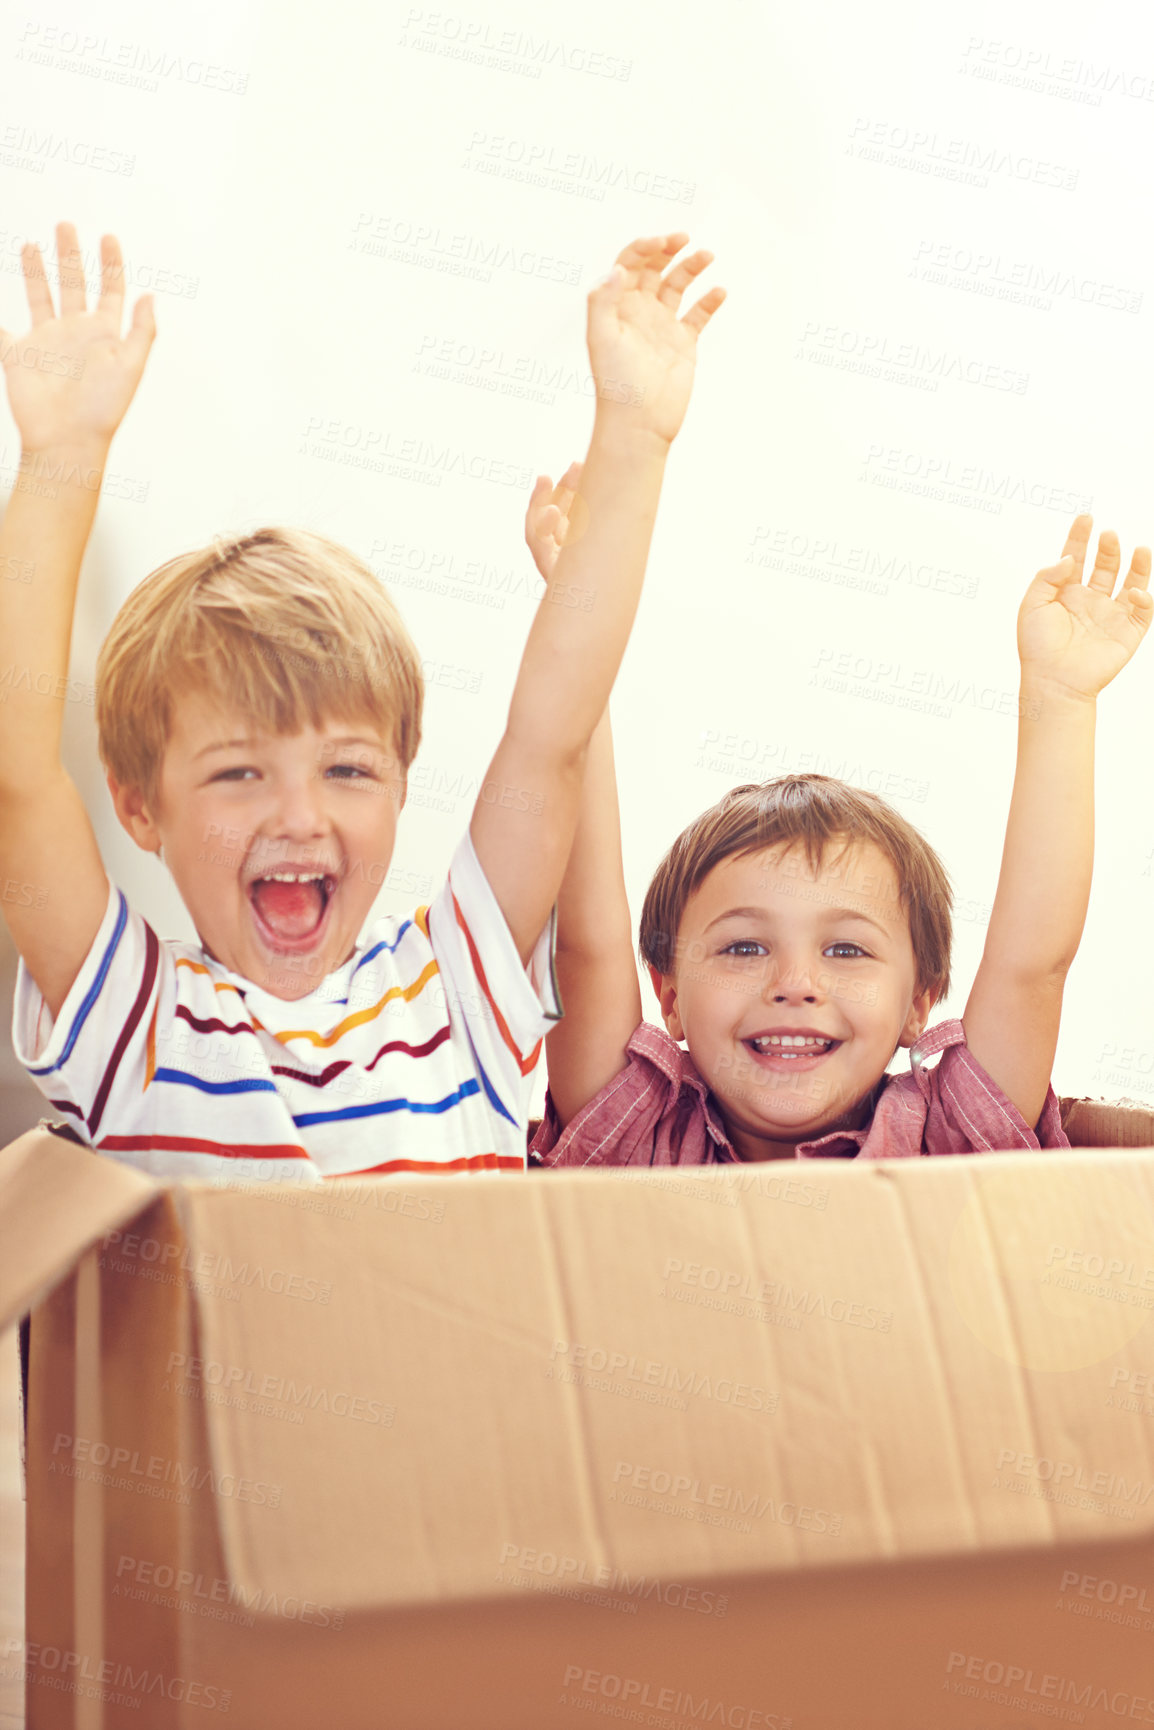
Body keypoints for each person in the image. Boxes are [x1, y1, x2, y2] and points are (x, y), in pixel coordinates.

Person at [0, 223, 724, 1181]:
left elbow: (553, 735)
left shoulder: (458, 989)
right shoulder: (133, 1021)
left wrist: (632, 437)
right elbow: (15, 777)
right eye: (239, 771)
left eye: (346, 769)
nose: (300, 815)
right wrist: (61, 456)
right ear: (139, 805)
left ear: (399, 786)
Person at [524, 473, 1151, 1165]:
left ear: (919, 1003)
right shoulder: (637, 1137)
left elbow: (1034, 967)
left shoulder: (946, 1141)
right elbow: (584, 944)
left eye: (847, 950)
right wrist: (578, 614)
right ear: (668, 995)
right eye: (743, 947)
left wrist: (1060, 699)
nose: (795, 983)